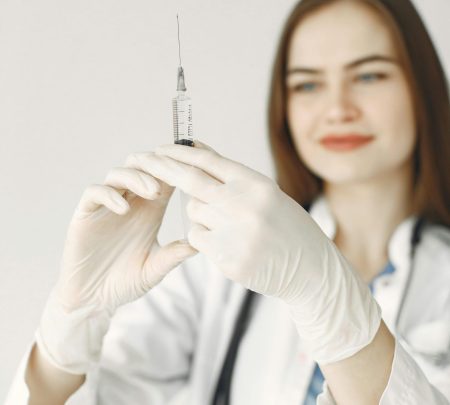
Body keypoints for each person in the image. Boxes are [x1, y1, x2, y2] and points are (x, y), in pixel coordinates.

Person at [5, 0, 450, 403]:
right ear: (284, 108)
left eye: (369, 75)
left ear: (421, 87)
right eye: (307, 85)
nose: (337, 108)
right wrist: (72, 320)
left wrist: (327, 295)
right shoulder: (213, 271)